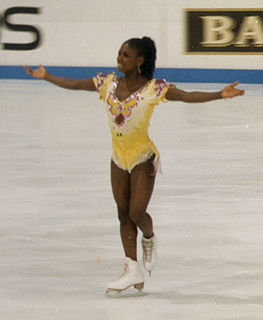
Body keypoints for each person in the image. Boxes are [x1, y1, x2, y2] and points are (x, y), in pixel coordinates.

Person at [24, 36, 244, 293]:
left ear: (140, 60)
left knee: (136, 213)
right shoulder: (107, 83)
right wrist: (47, 76)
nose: (120, 58)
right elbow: (75, 83)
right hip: (118, 158)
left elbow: (186, 95)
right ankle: (132, 268)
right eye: (119, 53)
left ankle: (149, 239)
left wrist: (220, 94)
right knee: (122, 212)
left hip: (142, 157)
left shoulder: (154, 88)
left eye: (126, 55)